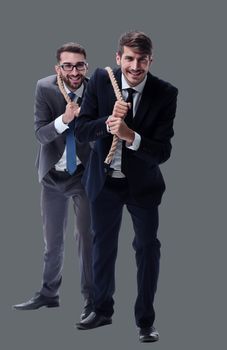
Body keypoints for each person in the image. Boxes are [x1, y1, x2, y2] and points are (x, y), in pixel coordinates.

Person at [74, 31, 178, 342]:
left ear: (150, 61)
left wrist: (131, 136)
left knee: (147, 248)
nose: (135, 66)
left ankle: (145, 321)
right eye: (129, 58)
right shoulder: (100, 80)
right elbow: (80, 131)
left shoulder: (165, 93)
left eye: (141, 60)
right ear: (118, 58)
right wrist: (108, 122)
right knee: (102, 247)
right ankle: (101, 309)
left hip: (143, 186)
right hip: (104, 182)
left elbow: (162, 152)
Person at [13, 42, 94, 321]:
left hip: (83, 175)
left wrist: (87, 123)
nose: (74, 71)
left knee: (86, 238)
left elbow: (104, 133)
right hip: (52, 176)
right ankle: (49, 294)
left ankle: (91, 301)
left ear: (86, 65)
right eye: (68, 65)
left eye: (80, 65)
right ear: (57, 68)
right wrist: (64, 119)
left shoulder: (96, 89)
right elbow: (40, 134)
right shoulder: (44, 88)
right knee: (52, 241)